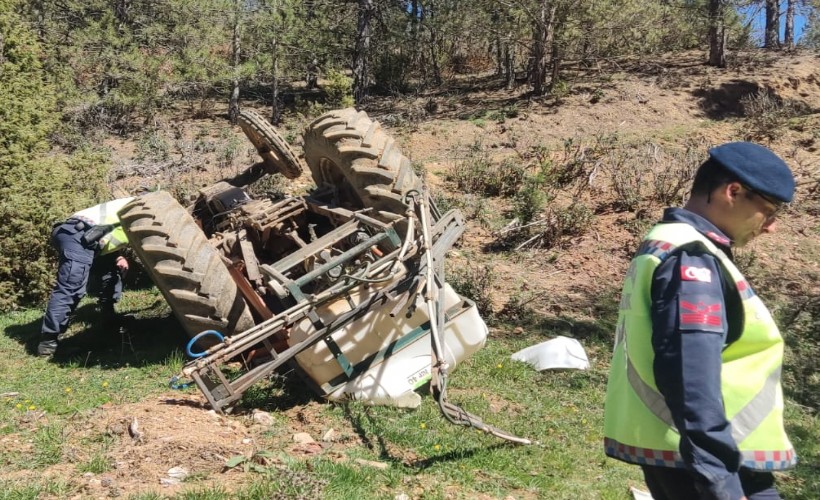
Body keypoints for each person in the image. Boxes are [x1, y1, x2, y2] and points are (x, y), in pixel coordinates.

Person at [602, 142, 797, 500]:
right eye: (768, 211)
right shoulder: (692, 260)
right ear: (733, 192)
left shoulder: (667, 243)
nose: (770, 227)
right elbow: (691, 377)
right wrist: (721, 482)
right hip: (713, 464)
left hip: (688, 456)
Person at [38, 197, 136, 356]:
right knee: (71, 287)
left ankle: (108, 317)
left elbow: (108, 229)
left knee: (111, 272)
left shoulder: (133, 206)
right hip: (79, 236)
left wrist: (117, 256)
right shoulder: (141, 206)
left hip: (86, 236)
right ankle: (48, 344)